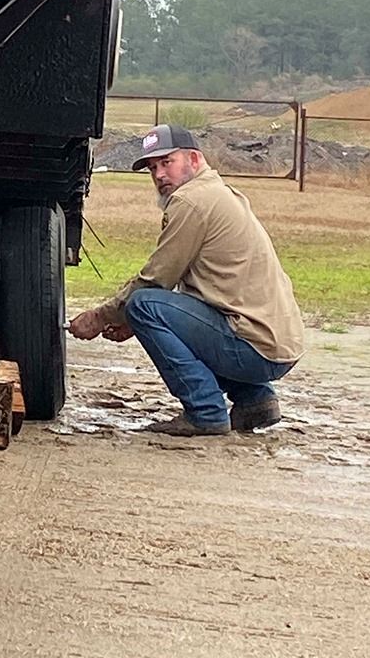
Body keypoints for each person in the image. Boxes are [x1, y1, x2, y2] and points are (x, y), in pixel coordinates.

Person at [69, 124, 304, 436]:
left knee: (143, 305)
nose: (159, 175)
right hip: (275, 342)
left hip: (255, 346)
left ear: (194, 159)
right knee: (146, 309)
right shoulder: (216, 192)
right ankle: (255, 400)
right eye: (153, 167)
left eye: (168, 162)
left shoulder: (191, 201)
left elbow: (154, 282)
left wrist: (100, 317)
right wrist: (129, 322)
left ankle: (205, 412)